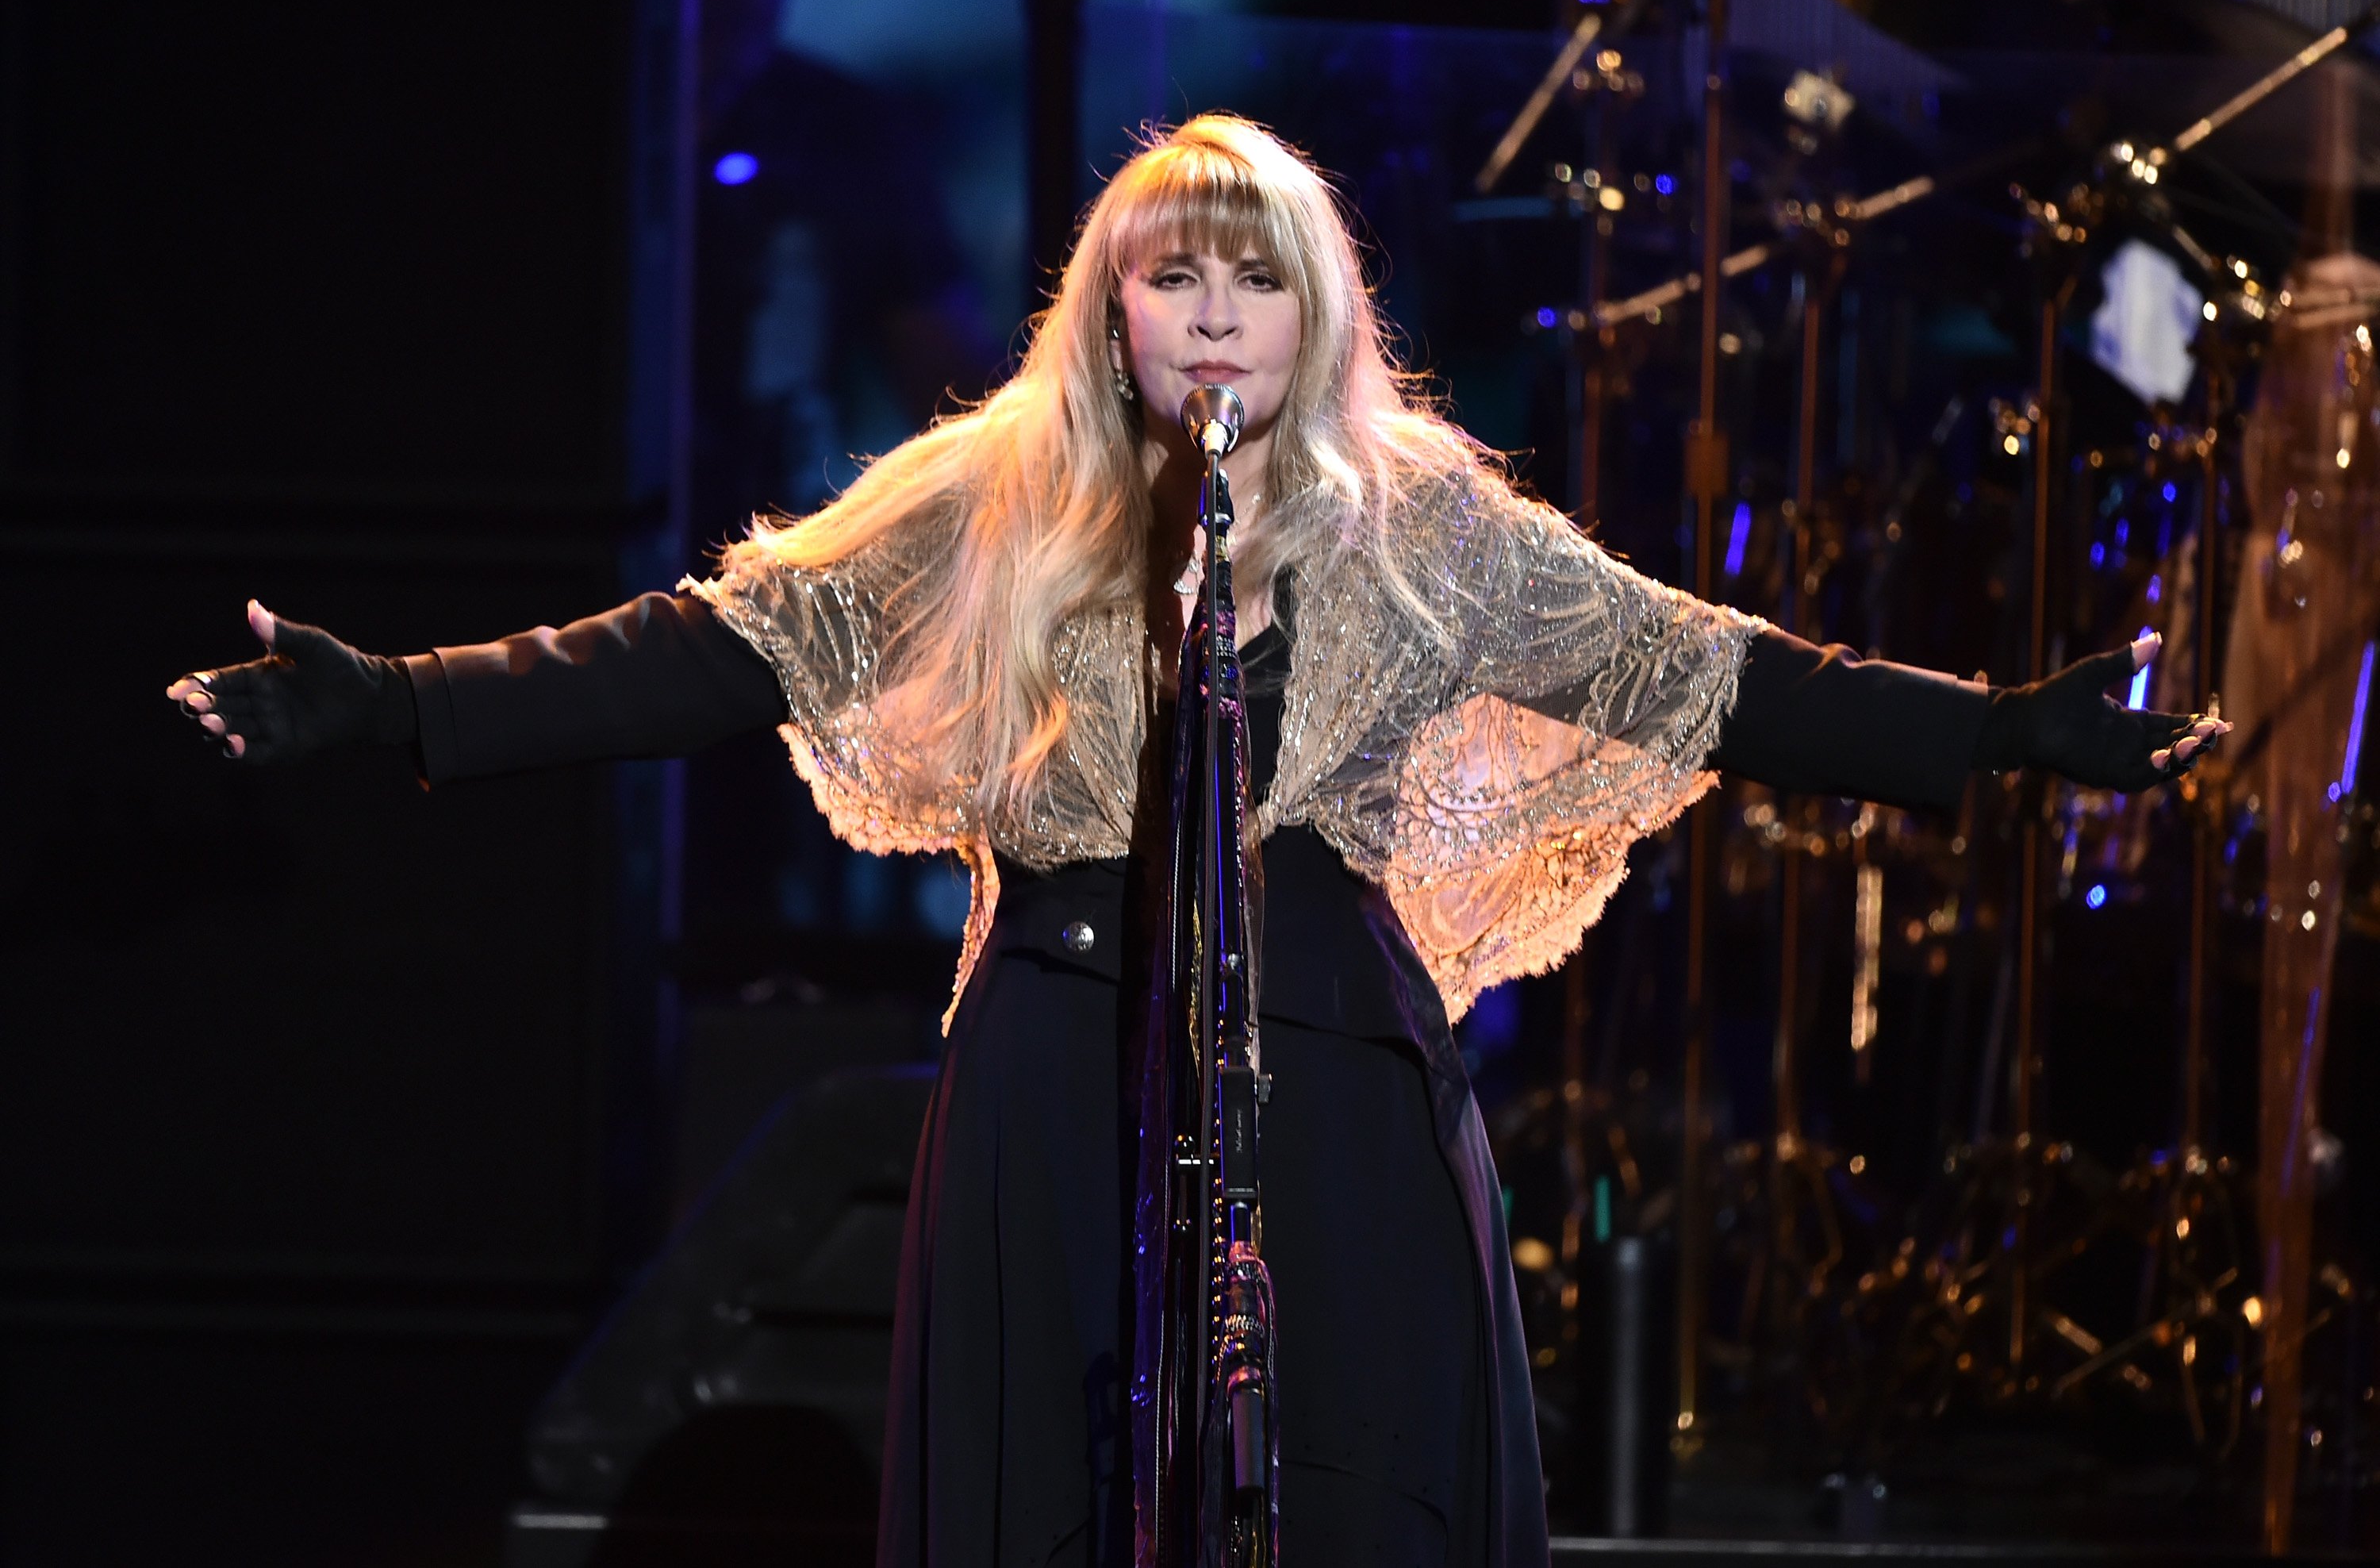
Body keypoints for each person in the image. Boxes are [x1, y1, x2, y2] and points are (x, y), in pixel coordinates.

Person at [167, 115, 2225, 1566]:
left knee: (1341, 1491)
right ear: (1113, 308)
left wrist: (2007, 733)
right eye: (1176, 275)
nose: (1216, 312)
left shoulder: (1432, 523)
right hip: (1065, 1060)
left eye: (1259, 275)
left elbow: (1711, 673)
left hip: (1334, 1069)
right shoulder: (986, 499)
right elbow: (708, 649)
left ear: (1318, 305)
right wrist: (408, 700)